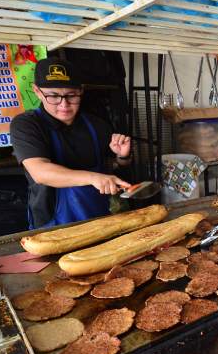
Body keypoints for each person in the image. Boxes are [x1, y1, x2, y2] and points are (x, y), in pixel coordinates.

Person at [10, 57, 133, 229]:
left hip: (99, 218)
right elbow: (40, 172)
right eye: (53, 96)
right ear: (37, 91)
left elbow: (114, 168)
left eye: (71, 95)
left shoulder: (97, 125)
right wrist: (92, 178)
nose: (64, 104)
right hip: (53, 224)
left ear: (80, 91)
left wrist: (122, 156)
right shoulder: (27, 125)